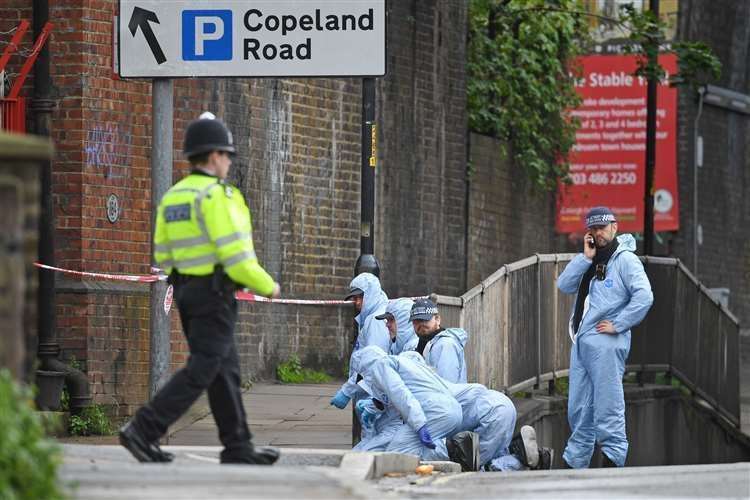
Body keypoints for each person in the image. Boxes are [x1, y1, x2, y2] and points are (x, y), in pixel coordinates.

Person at [119, 113, 281, 465]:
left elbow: (162, 252)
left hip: (186, 291)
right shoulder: (218, 196)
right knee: (204, 367)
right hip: (215, 293)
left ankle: (237, 446)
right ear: (212, 156)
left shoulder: (174, 196)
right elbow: (236, 255)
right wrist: (268, 286)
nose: (228, 161)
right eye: (227, 155)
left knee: (225, 369)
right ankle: (143, 428)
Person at [557, 206, 653, 468]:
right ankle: (575, 462)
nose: (598, 233)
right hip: (582, 342)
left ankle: (613, 459)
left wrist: (619, 323)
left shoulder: (625, 260)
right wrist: (585, 258)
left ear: (615, 226)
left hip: (606, 345)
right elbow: (563, 285)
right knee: (579, 408)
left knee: (607, 405)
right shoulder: (591, 258)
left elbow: (644, 296)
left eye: (602, 227)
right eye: (593, 229)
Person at [351, 346, 463, 460]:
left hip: (434, 412)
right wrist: (372, 407)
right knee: (411, 447)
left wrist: (419, 425)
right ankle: (454, 449)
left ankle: (453, 450)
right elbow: (389, 399)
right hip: (448, 409)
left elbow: (402, 397)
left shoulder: (382, 367)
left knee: (397, 454)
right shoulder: (401, 366)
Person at [353, 298, 417, 451]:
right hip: (399, 422)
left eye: (391, 320)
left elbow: (404, 391)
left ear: (403, 321)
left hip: (404, 425)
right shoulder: (399, 347)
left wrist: (376, 404)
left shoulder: (412, 350)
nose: (387, 325)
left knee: (363, 456)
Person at [329, 273, 390, 410]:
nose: (357, 302)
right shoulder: (375, 316)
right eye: (355, 298)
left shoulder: (375, 321)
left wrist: (346, 391)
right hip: (370, 391)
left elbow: (372, 363)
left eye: (360, 297)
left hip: (372, 393)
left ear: (371, 294)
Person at [410, 298, 468, 383]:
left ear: (437, 319)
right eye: (416, 321)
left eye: (425, 319)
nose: (421, 324)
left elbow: (447, 384)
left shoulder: (445, 345)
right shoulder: (424, 343)